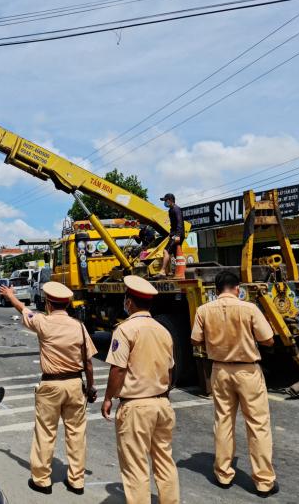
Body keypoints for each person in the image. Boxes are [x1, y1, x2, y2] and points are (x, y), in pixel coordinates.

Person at [0, 281, 97, 496]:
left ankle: (42, 480)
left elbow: (24, 310)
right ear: (68, 304)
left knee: (45, 432)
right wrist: (90, 387)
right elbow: (88, 362)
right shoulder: (79, 326)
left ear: (48, 304)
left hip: (51, 385)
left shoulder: (43, 322)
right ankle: (76, 481)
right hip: (74, 384)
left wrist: (10, 295)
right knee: (76, 434)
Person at [191, 271, 278, 498]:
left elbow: (195, 339)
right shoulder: (248, 309)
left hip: (219, 370)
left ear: (216, 289)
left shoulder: (203, 310)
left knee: (223, 421)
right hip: (248, 371)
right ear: (237, 288)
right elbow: (268, 339)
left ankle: (223, 474)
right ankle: (264, 481)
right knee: (258, 425)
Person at [101, 275, 179, 504]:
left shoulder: (125, 330)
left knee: (135, 467)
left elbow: (118, 370)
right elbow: (171, 370)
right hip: (162, 403)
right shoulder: (163, 330)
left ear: (129, 302)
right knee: (165, 461)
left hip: (135, 406)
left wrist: (108, 398)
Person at [157, 193, 184, 278]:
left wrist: (178, 235)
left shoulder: (176, 209)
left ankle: (163, 271)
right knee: (177, 255)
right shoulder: (170, 210)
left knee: (166, 251)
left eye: (165, 200)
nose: (164, 202)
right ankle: (179, 271)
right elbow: (173, 225)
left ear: (170, 200)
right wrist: (170, 233)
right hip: (174, 234)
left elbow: (179, 222)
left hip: (177, 234)